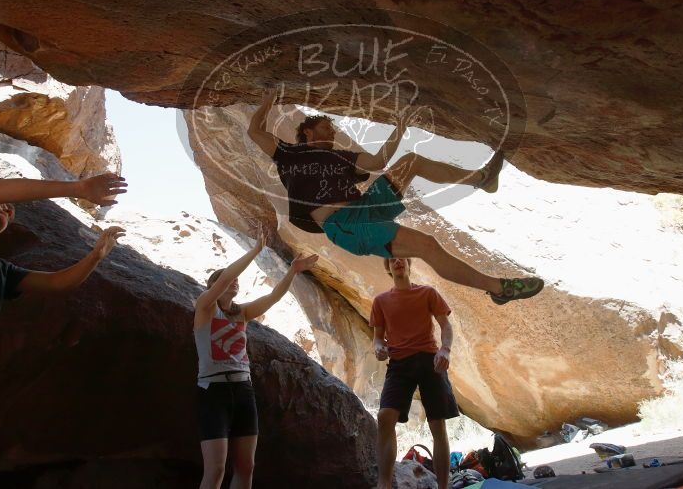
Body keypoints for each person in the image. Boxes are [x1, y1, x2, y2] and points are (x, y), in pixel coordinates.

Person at [246, 88, 543, 305]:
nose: (333, 131)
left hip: (367, 205)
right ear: (308, 131)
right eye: (327, 126)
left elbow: (377, 162)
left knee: (411, 160)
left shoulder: (342, 157)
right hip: (345, 224)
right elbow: (254, 130)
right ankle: (498, 288)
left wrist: (399, 129)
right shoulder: (289, 154)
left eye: (333, 128)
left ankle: (482, 179)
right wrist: (268, 101)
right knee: (427, 245)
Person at [0, 173, 128, 489]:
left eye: (11, 208)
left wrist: (95, 256)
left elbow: (57, 282)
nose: (8, 208)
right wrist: (79, 189)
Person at [194, 229, 318, 489]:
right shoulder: (205, 307)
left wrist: (292, 271)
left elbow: (273, 298)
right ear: (213, 286)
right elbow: (227, 275)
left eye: (237, 281)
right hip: (213, 391)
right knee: (216, 468)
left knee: (246, 467)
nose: (234, 281)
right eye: (227, 280)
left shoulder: (243, 313)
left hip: (242, 389)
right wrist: (254, 251)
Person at [372, 257, 458, 489]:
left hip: (430, 360)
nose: (397, 261)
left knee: (437, 424)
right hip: (399, 364)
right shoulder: (381, 301)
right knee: (384, 417)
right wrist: (379, 348)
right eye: (391, 260)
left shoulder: (428, 293)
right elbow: (378, 337)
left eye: (402, 258)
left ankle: (443, 486)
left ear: (409, 265)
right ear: (388, 268)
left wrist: (446, 350)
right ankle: (384, 484)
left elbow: (446, 325)